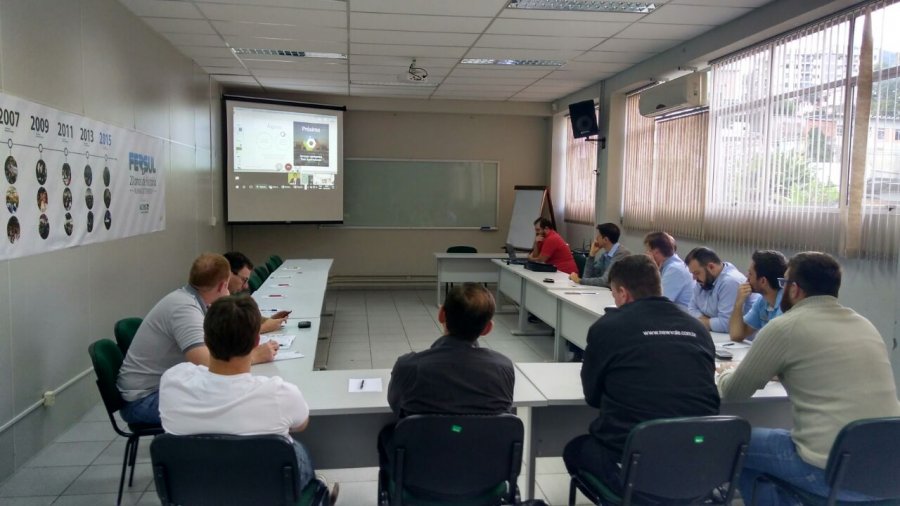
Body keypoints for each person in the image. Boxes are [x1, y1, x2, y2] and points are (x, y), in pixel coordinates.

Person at [718, 252, 900, 504]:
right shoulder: (865, 324)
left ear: (794, 289)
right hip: (888, 470)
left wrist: (724, 373)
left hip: (830, 471)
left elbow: (734, 392)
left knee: (736, 444)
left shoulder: (785, 327)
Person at [563, 255, 719, 497]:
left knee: (575, 449)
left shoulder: (607, 328)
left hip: (635, 464)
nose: (614, 300)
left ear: (623, 293)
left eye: (614, 294)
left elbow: (592, 397)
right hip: (698, 463)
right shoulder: (697, 329)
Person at [158, 295, 320, 495]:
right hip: (263, 491)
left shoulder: (172, 382)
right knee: (295, 449)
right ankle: (319, 490)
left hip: (195, 490)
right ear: (256, 341)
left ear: (206, 339)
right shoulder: (279, 393)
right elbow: (301, 424)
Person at [117, 253, 278, 425]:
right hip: (143, 400)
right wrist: (254, 356)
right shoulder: (184, 309)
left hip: (160, 389)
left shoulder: (190, 299)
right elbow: (207, 363)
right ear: (223, 285)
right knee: (229, 402)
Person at [379, 283, 515, 469]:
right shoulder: (504, 368)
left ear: (441, 314)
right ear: (487, 329)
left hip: (421, 477)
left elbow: (396, 406)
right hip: (481, 477)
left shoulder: (409, 367)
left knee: (387, 434)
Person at [684, 246, 758, 333]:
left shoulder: (730, 282)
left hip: (740, 342)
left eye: (696, 273)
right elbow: (691, 308)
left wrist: (705, 322)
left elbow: (726, 324)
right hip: (716, 334)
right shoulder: (704, 279)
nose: (693, 278)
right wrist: (707, 321)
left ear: (711, 267)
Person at [728, 250, 787, 342]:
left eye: (750, 274)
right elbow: (736, 335)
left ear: (763, 281)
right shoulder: (762, 301)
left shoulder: (786, 305)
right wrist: (739, 303)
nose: (746, 277)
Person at [223, 251, 289, 333]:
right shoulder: (215, 300)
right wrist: (264, 327)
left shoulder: (227, 296)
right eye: (244, 280)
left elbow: (240, 322)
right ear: (229, 273)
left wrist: (271, 320)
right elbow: (228, 334)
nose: (246, 286)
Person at [569, 222, 630, 287]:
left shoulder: (622, 254)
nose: (596, 239)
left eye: (598, 236)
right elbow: (587, 277)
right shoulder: (606, 255)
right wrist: (591, 255)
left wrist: (579, 280)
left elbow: (606, 281)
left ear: (605, 240)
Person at [643, 231, 693, 310]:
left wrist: (652, 268)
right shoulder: (669, 265)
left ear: (656, 252)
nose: (646, 253)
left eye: (648, 250)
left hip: (681, 317)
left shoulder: (675, 270)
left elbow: (658, 302)